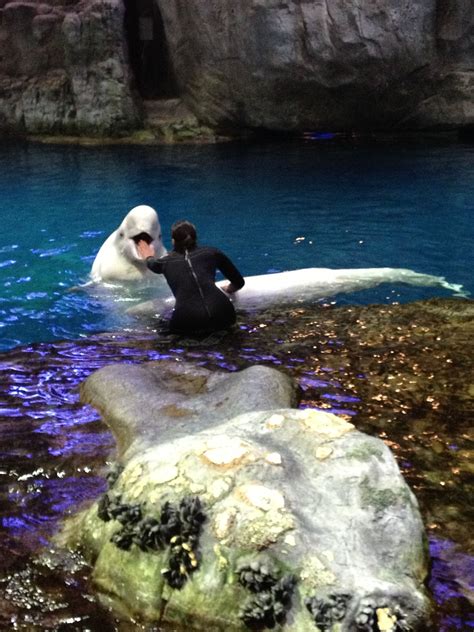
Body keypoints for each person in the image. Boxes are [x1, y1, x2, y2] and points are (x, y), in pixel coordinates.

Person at [137, 220, 245, 335]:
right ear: (195, 238)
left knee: (158, 326)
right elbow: (239, 282)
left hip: (187, 321)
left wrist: (147, 255)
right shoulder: (212, 253)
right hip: (224, 313)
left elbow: (151, 264)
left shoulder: (164, 263)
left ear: (173, 241)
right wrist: (229, 289)